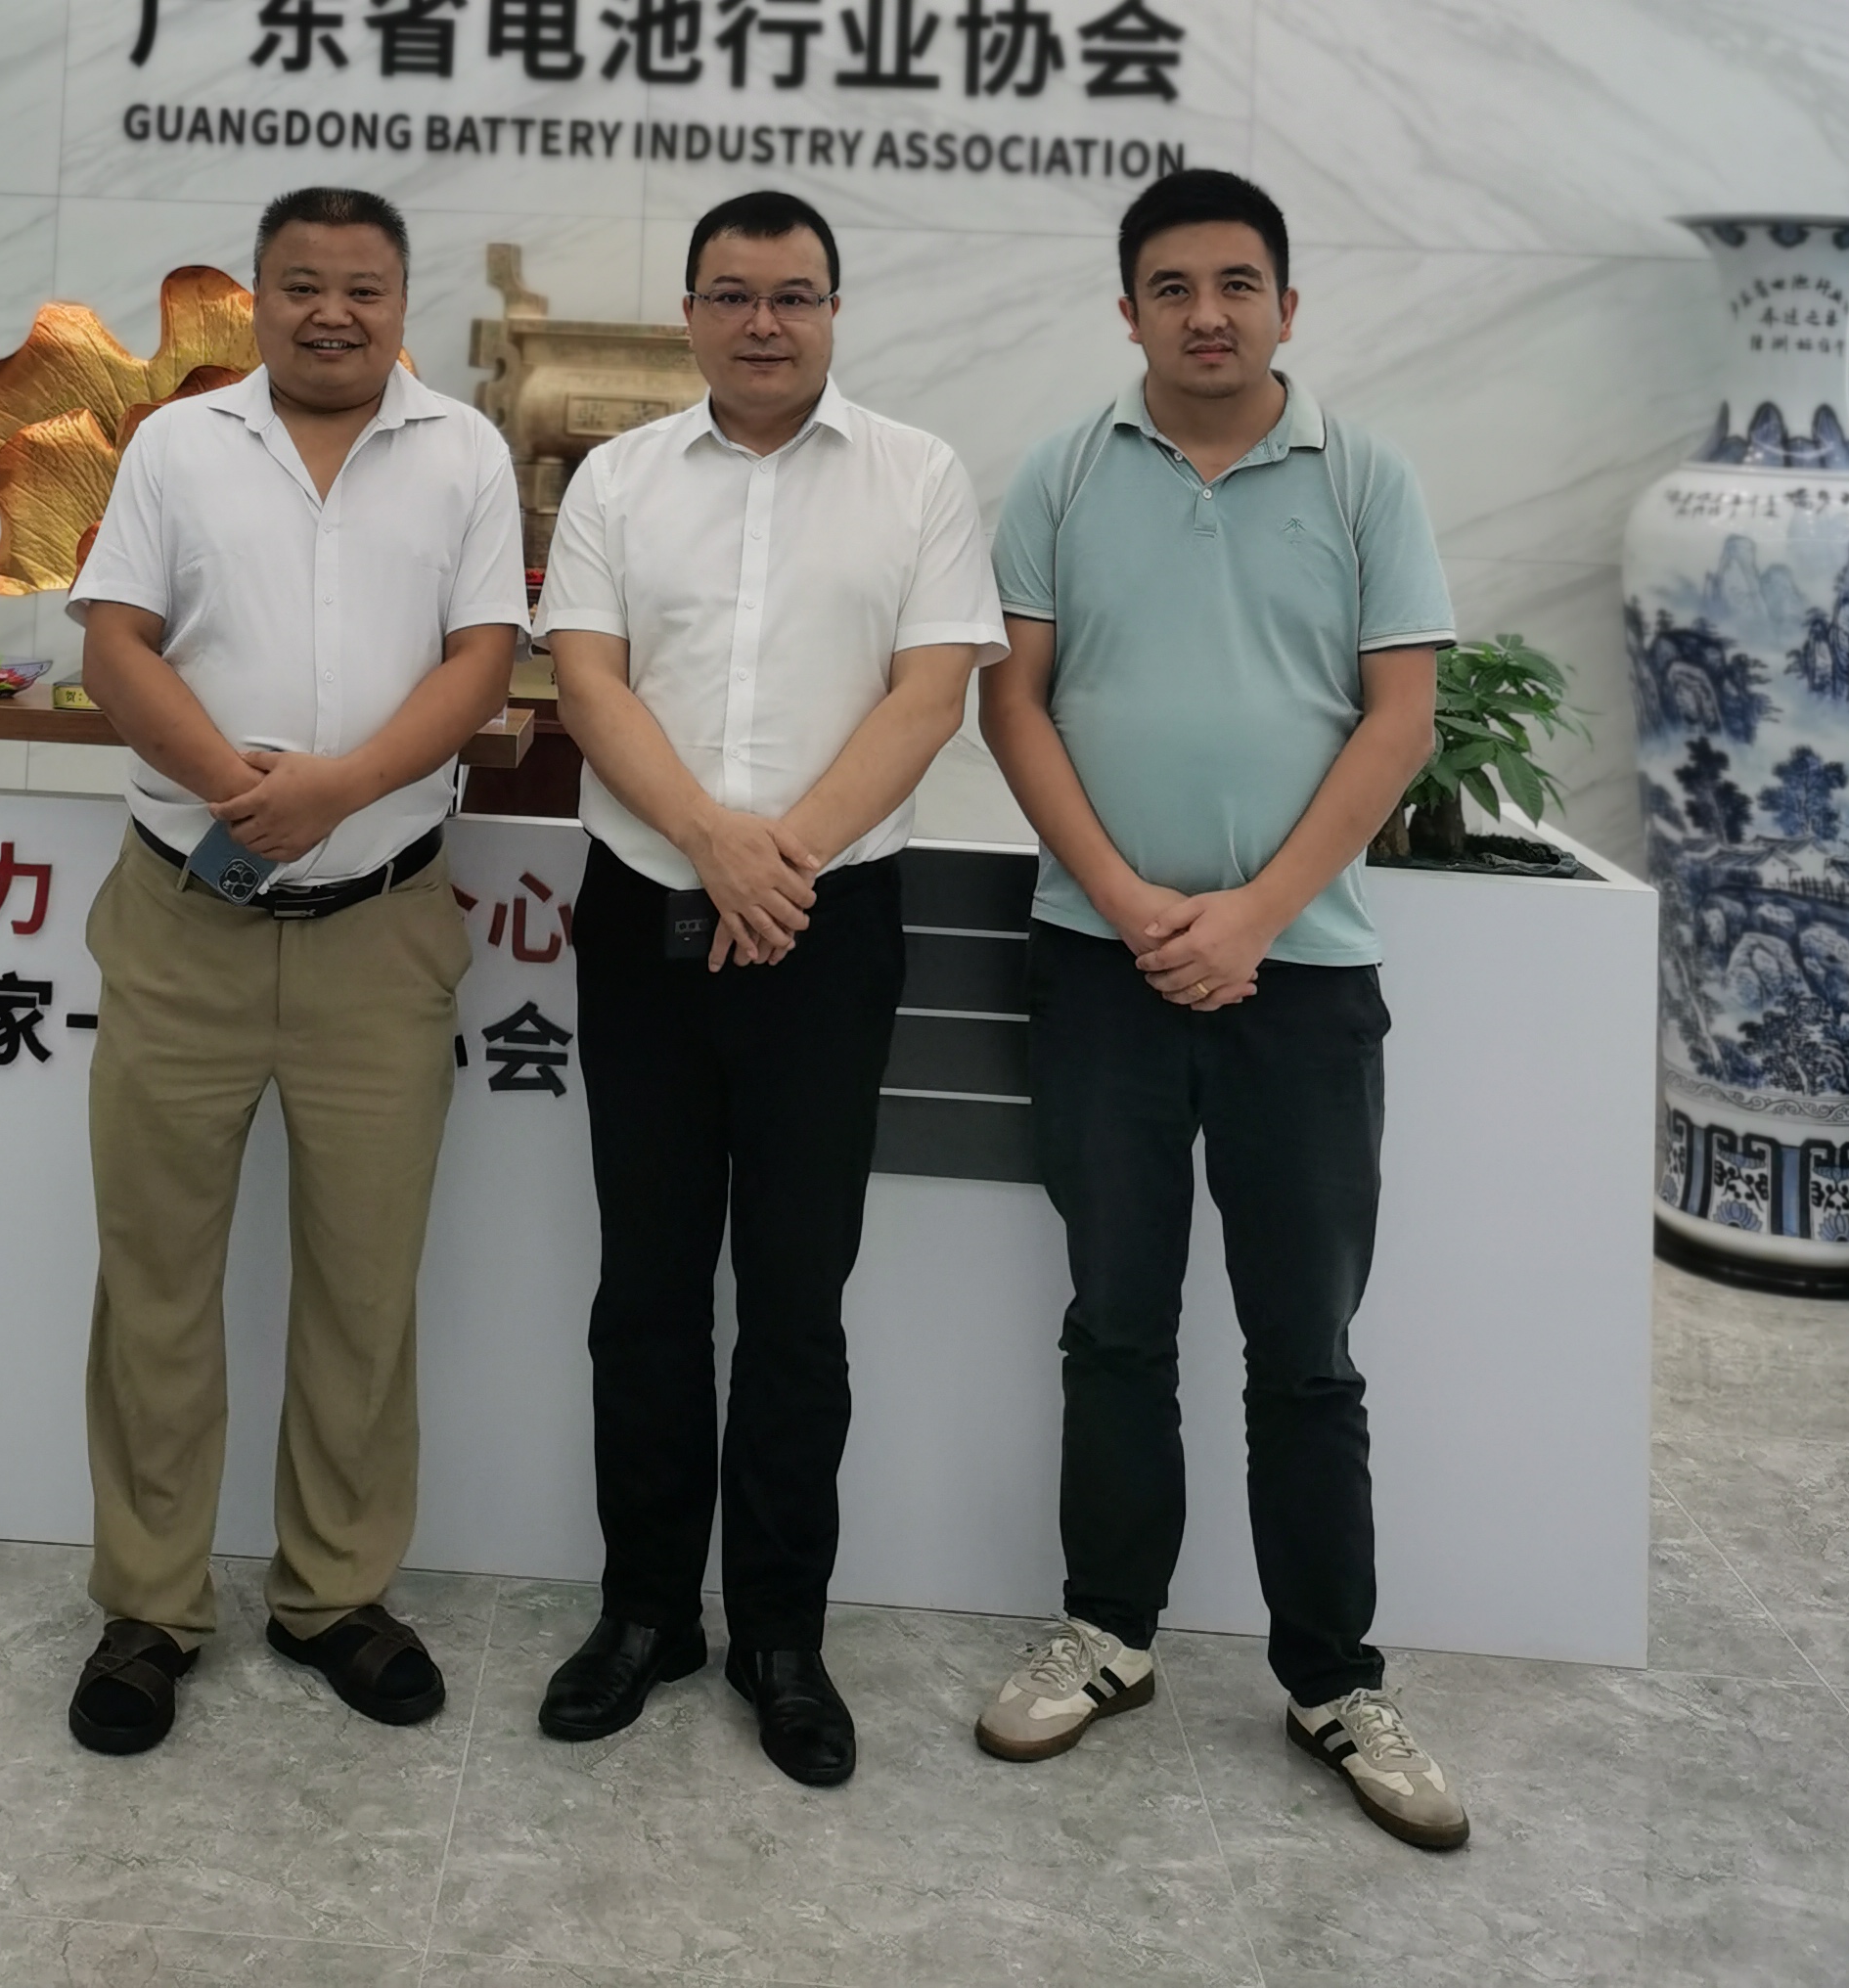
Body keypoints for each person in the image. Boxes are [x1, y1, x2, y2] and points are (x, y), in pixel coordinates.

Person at [975, 166, 1469, 1853]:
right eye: (1173, 287)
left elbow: (1399, 720)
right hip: (1097, 965)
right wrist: (1130, 904)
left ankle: (1336, 1680)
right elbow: (1015, 705)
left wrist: (1253, 916)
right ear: (1127, 311)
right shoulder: (1060, 473)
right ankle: (1108, 1635)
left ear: (1286, 305)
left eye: (1237, 283)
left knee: (1305, 1348)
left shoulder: (1366, 477)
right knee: (1114, 1320)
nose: (1207, 313)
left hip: (1302, 978)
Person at [535, 191, 1002, 1788]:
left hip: (829, 925)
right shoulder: (616, 479)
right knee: (647, 1292)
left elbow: (930, 696)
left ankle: (782, 1640)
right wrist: (708, 842)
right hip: (644, 918)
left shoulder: (918, 476)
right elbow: (586, 680)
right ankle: (646, 1614)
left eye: (793, 295)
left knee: (798, 1304)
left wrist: (775, 861)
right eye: (731, 294)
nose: (763, 322)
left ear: (834, 313)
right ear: (688, 314)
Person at [66, 187, 522, 1756]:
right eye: (303, 285)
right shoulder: (176, 446)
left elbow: (483, 662)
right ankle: (149, 1606)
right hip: (184, 920)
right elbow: (114, 644)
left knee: (363, 1286)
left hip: (380, 932)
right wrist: (238, 792)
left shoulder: (463, 453)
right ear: (255, 300)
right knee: (155, 1280)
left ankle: (334, 1595)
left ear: (402, 302)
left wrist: (336, 791)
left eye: (364, 288)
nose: (334, 313)